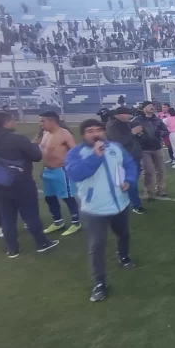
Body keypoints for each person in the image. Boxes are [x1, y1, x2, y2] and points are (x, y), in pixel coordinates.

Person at [66, 119, 137, 302]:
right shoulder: (76, 153)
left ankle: (124, 257)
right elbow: (75, 174)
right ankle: (99, 283)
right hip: (94, 209)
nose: (96, 134)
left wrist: (129, 180)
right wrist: (95, 157)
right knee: (97, 246)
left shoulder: (116, 147)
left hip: (120, 204)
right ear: (83, 134)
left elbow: (129, 164)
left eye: (99, 130)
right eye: (90, 131)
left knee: (124, 234)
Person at [0, 112, 59, 257]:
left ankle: (12, 249)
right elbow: (36, 156)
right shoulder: (16, 138)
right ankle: (42, 243)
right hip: (21, 183)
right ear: (6, 122)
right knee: (31, 215)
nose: (14, 123)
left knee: (7, 218)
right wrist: (34, 146)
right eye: (13, 120)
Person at [38, 111, 81, 236]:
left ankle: (76, 223)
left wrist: (71, 167)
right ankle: (58, 222)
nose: (40, 124)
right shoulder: (45, 133)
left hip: (61, 171)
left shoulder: (64, 134)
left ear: (52, 121)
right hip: (47, 171)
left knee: (68, 197)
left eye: (43, 121)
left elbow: (75, 152)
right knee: (49, 198)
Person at [105, 106, 145, 214]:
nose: (130, 116)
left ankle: (128, 200)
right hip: (124, 158)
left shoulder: (127, 123)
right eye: (127, 114)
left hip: (134, 155)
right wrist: (132, 133)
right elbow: (118, 141)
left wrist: (139, 134)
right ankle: (136, 205)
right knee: (130, 181)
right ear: (118, 115)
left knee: (131, 181)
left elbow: (134, 138)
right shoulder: (112, 126)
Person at [132, 101, 168, 199]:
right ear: (144, 108)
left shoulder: (157, 120)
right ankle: (149, 192)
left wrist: (159, 133)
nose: (152, 107)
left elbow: (165, 131)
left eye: (152, 105)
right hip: (144, 149)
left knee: (160, 170)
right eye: (149, 106)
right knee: (148, 171)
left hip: (157, 147)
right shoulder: (136, 120)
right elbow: (130, 132)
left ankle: (160, 189)